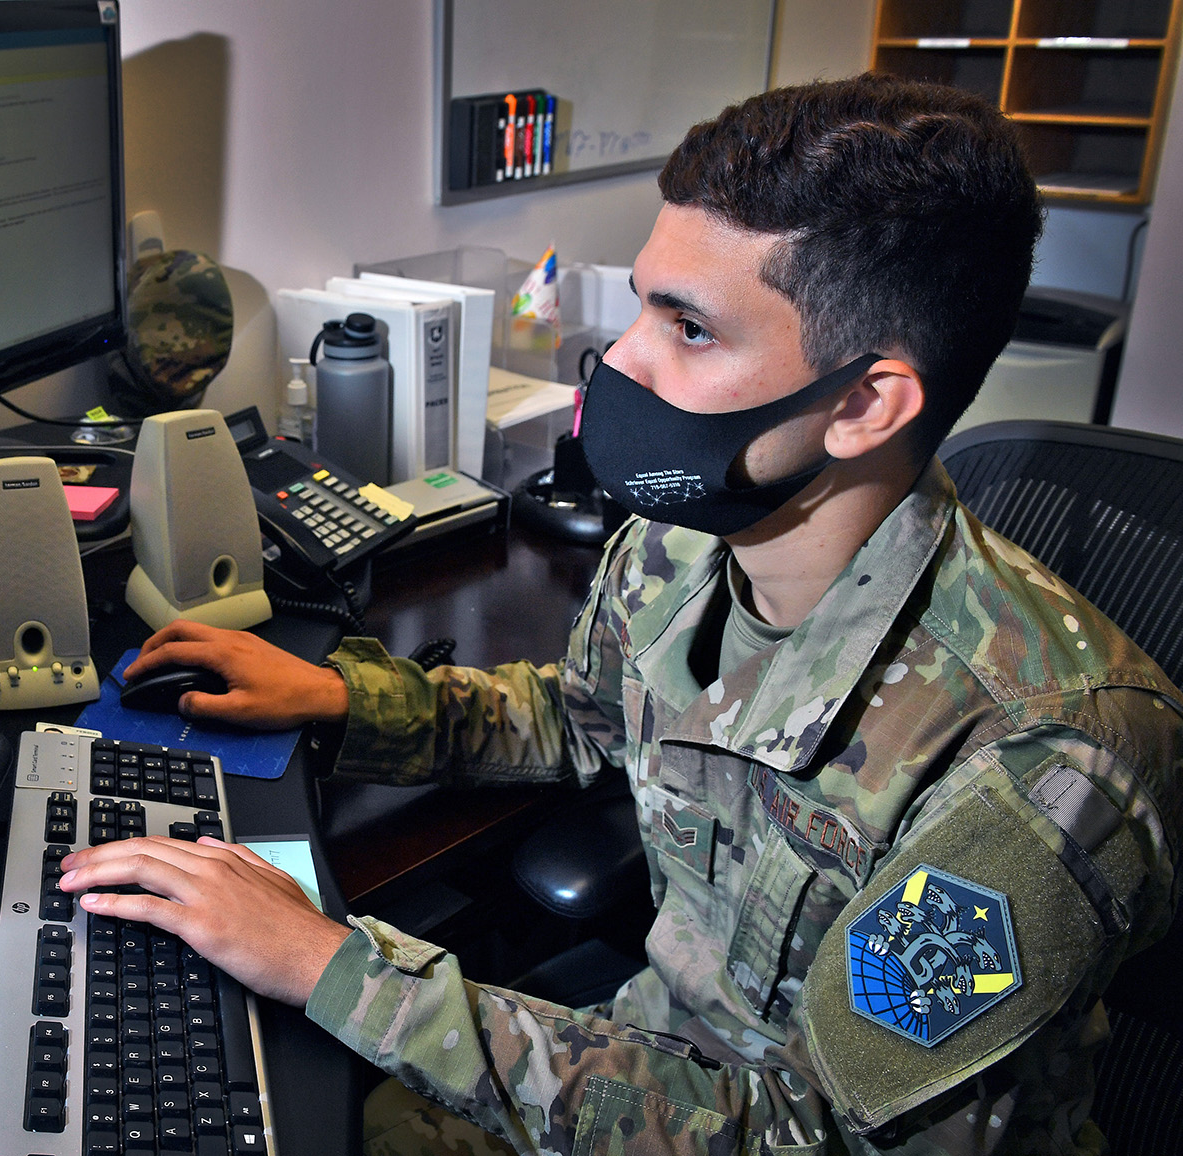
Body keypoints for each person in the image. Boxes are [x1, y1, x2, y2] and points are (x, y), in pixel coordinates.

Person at [58, 73, 1183, 1155]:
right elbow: (584, 718)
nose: (621, 364)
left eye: (687, 329)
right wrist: (345, 697)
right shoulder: (678, 542)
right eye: (640, 304)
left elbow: (819, 1137)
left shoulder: (1042, 757)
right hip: (645, 1062)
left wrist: (329, 965)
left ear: (861, 403)